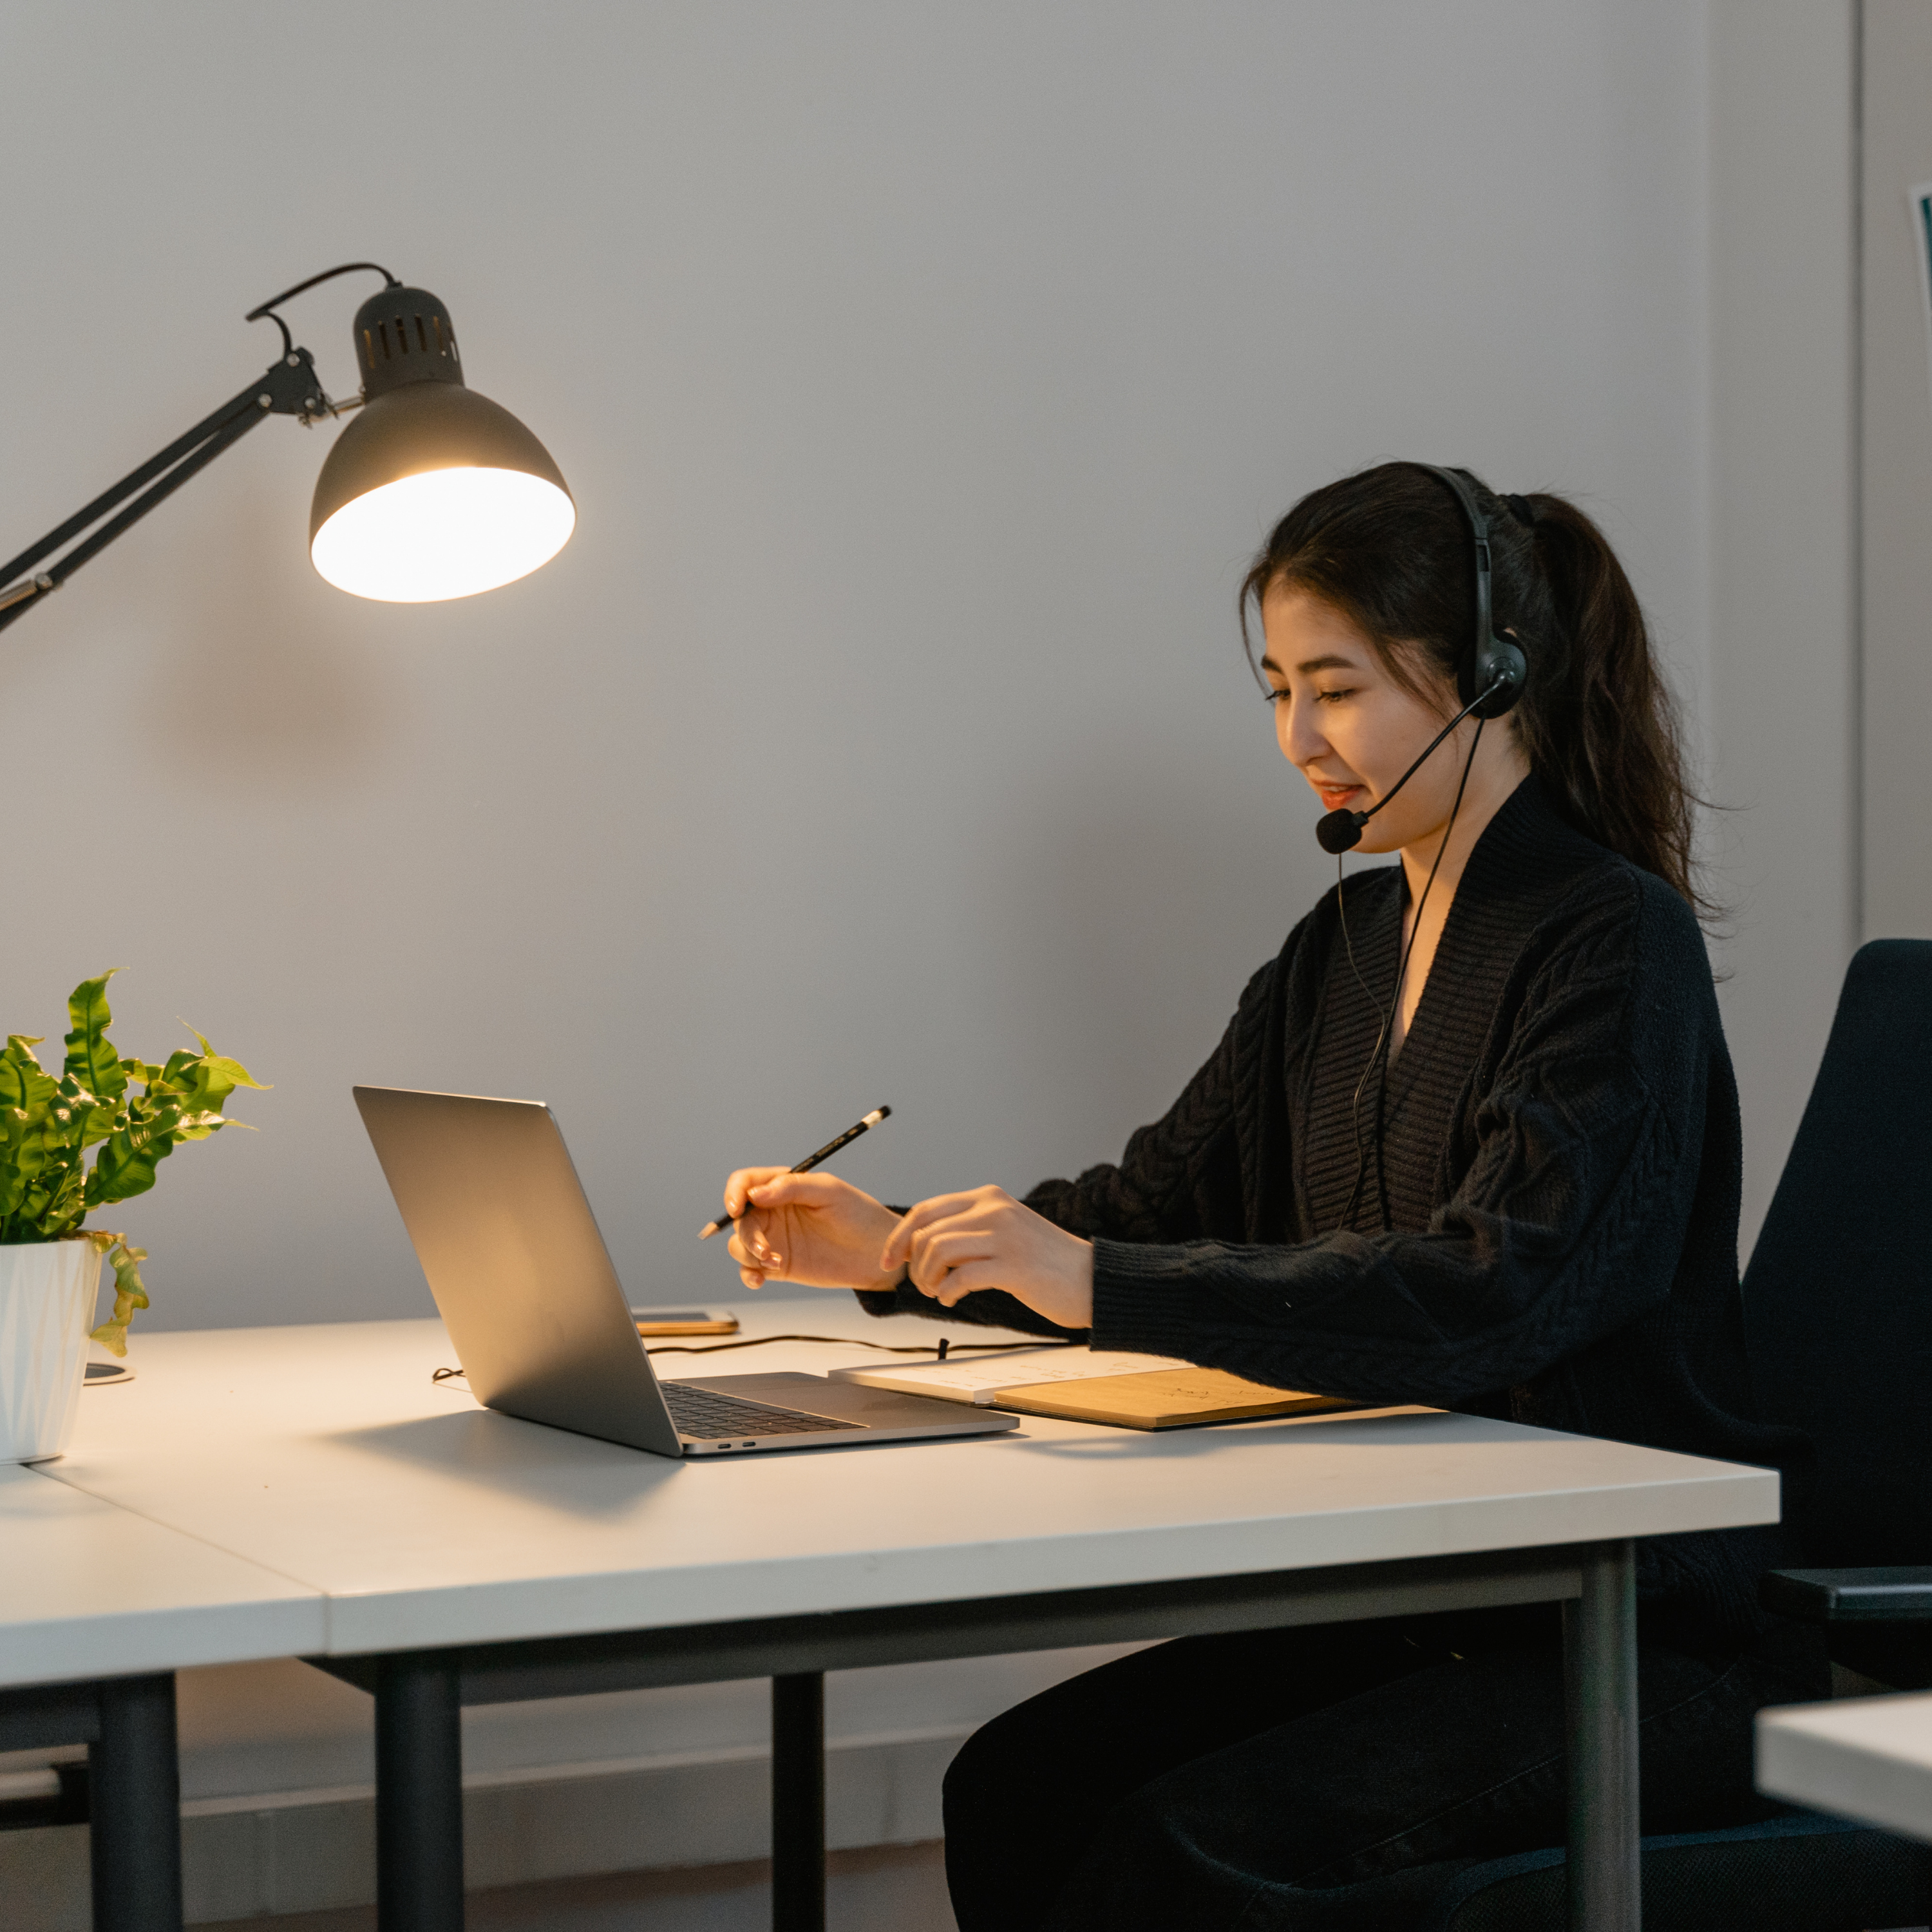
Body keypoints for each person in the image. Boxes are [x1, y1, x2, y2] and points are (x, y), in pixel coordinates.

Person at [715, 463, 1821, 1932]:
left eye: (1338, 688)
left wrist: (1091, 1279)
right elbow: (1154, 1206)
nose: (1300, 738)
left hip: (1620, 1633)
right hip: (1425, 1601)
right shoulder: (1346, 941)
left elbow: (1490, 1292)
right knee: (1017, 1787)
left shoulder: (1612, 941)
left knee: (1176, 1854)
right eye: (1276, 690)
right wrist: (895, 1250)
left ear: (1488, 679)